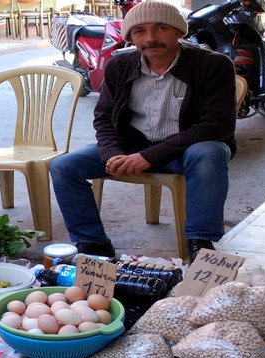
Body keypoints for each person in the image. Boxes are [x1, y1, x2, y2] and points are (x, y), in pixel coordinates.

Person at [49, 1, 237, 261]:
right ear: (131, 38)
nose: (150, 38)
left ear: (178, 32)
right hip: (132, 145)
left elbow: (217, 125)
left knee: (211, 153)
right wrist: (112, 153)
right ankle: (93, 244)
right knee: (64, 166)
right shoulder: (120, 65)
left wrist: (150, 157)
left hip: (185, 151)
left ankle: (200, 243)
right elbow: (103, 117)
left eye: (160, 28)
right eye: (140, 32)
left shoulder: (213, 65)